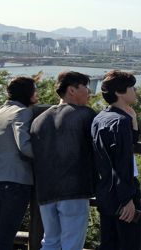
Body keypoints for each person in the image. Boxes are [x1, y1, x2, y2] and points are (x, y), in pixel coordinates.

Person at [30, 71, 96, 250]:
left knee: (50, 241)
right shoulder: (85, 114)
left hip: (45, 191)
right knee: (72, 244)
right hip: (74, 189)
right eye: (85, 87)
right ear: (72, 90)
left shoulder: (38, 120)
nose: (89, 92)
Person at [0, 76, 37, 250]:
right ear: (27, 92)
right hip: (16, 182)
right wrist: (49, 156)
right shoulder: (23, 112)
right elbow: (24, 146)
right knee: (4, 238)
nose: (37, 92)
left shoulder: (1, 111)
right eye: (34, 89)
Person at [91, 70, 141, 250]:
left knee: (109, 242)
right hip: (124, 191)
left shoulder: (100, 118)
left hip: (106, 189)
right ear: (120, 92)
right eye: (132, 87)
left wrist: (133, 120)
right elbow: (122, 161)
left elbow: (126, 145)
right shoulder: (120, 122)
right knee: (129, 242)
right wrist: (127, 198)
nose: (135, 91)